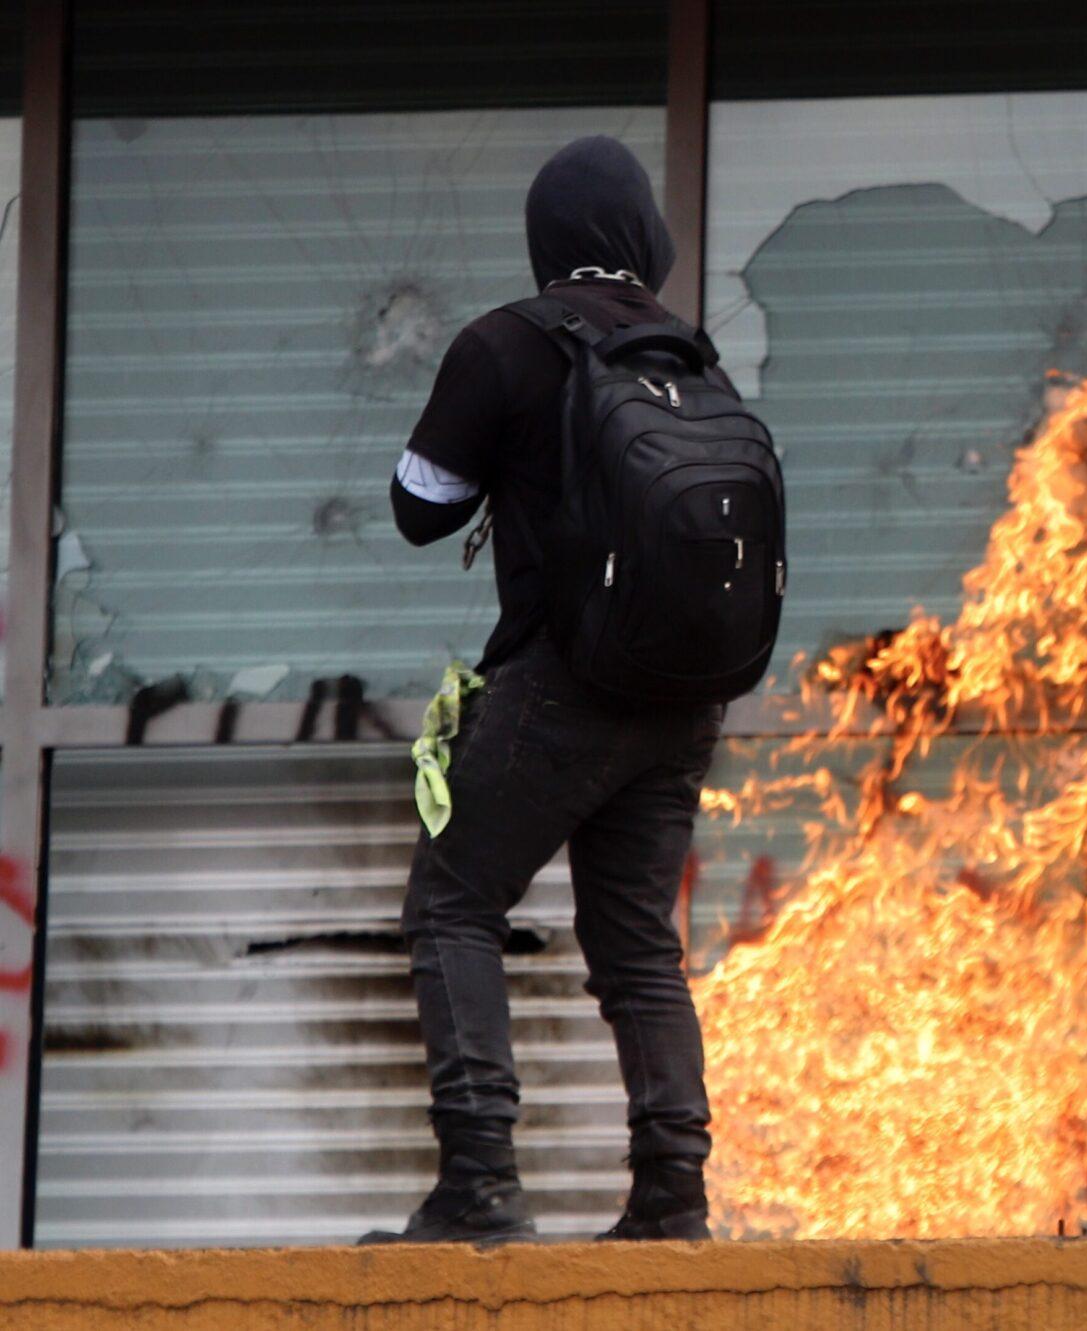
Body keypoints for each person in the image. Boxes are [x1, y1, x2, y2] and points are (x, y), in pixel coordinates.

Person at [364, 137, 722, 1244]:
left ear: (546, 238)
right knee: (637, 947)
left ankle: (479, 1178)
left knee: (454, 900)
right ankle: (672, 1193)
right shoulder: (691, 358)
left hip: (562, 684)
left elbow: (419, 506)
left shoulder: (506, 344)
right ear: (642, 238)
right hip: (681, 701)